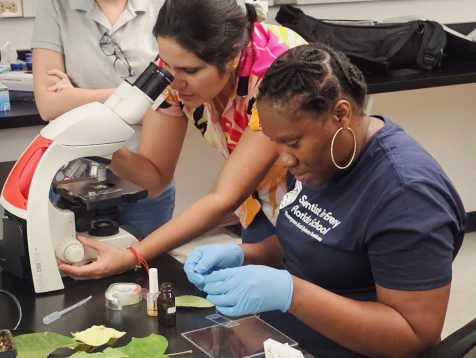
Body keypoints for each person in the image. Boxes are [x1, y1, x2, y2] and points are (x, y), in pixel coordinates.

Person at [183, 43, 467, 357]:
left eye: (292, 143)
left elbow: (415, 337)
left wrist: (291, 294)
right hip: (283, 340)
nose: (284, 160)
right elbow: (314, 241)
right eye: (275, 143)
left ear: (341, 114)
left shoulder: (407, 196)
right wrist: (244, 255)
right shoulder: (320, 158)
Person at [57, 0, 307, 278]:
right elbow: (154, 177)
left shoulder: (277, 69)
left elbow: (223, 196)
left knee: (305, 297)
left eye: (190, 71)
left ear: (232, 57)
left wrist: (131, 256)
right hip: (259, 202)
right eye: (168, 65)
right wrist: (107, 148)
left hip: (314, 201)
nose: (174, 83)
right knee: (264, 303)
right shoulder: (173, 70)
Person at [31, 0, 175, 237]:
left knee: (146, 265)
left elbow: (171, 98)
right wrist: (140, 101)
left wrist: (75, 98)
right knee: (74, 264)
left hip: (144, 175)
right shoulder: (56, 5)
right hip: (75, 179)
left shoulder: (162, 5)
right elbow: (49, 106)